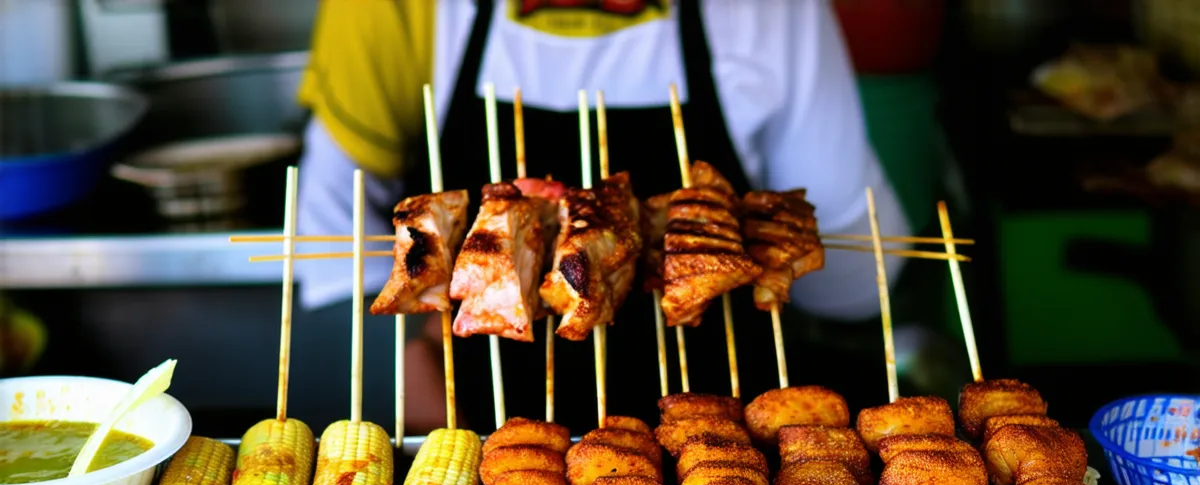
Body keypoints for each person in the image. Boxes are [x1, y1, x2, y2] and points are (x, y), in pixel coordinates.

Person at [293, 0, 911, 434]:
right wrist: (409, 371)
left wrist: (746, 247)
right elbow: (330, 247)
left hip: (727, 444)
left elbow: (862, 273)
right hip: (469, 420)